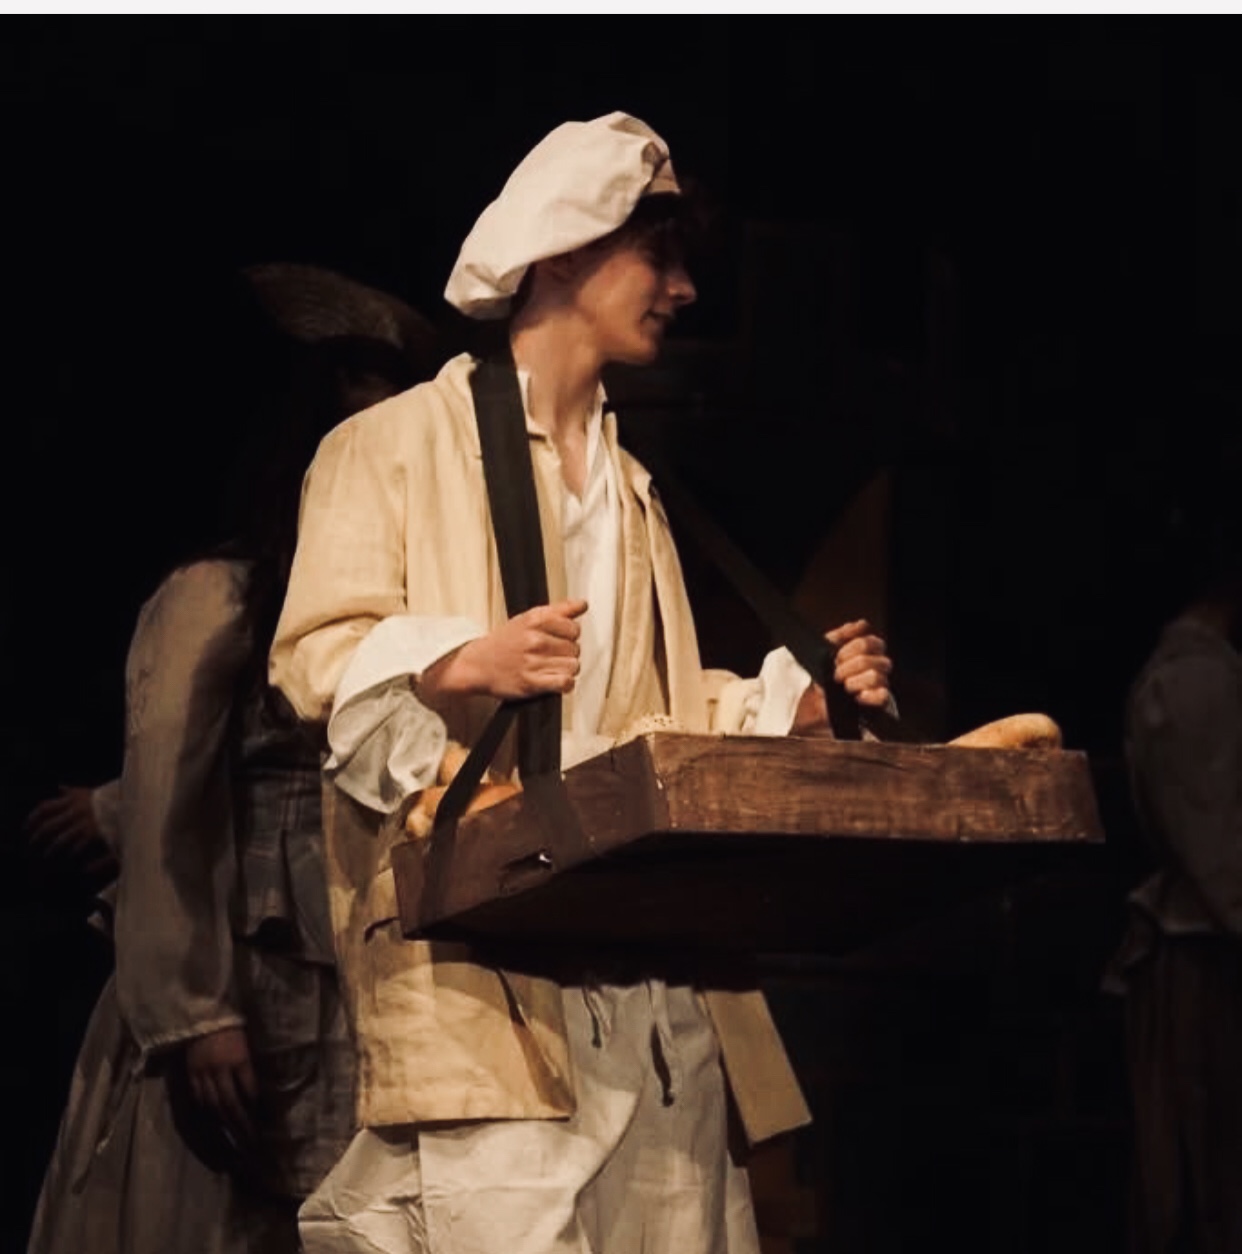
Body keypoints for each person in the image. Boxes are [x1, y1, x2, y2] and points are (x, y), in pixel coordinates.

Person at [272, 112, 894, 1254]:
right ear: (562, 252)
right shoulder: (391, 448)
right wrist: (456, 662)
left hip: (658, 997)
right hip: (493, 995)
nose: (683, 289)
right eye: (659, 256)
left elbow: (648, 716)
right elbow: (316, 664)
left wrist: (789, 711)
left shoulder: (635, 489)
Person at [25, 264, 436, 1254]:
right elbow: (178, 794)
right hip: (249, 974)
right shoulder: (222, 597)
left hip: (363, 968)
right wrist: (198, 1014)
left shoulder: (401, 605)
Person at [1105, 484, 1242, 1254]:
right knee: (1200, 1182)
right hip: (1203, 957)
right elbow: (1218, 842)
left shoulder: (1211, 674)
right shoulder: (1195, 681)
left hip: (1214, 951)